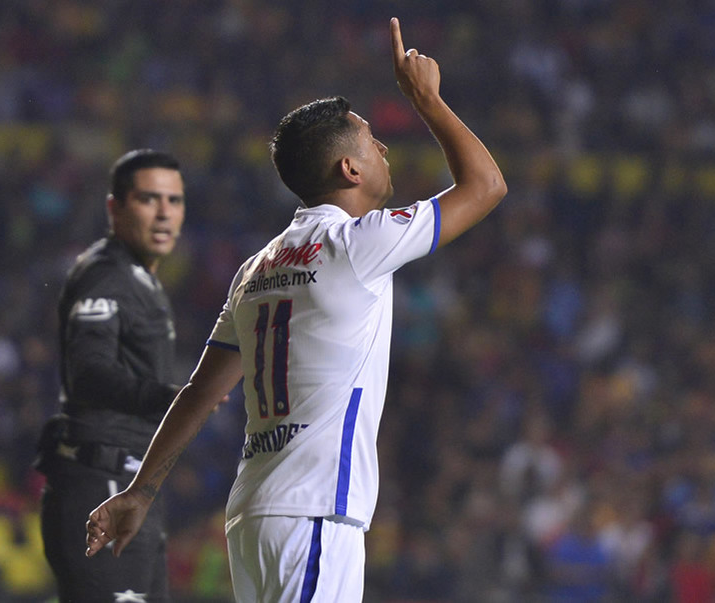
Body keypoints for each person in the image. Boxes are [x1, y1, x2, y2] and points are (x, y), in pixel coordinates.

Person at [85, 18, 507, 602]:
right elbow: (485, 185)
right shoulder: (356, 245)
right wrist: (427, 100)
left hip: (255, 516)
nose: (385, 148)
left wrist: (140, 491)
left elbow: (201, 393)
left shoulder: (256, 269)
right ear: (349, 169)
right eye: (370, 139)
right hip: (313, 513)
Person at [35, 149, 186, 602]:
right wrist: (168, 397)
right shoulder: (108, 275)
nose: (164, 213)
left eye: (174, 201)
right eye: (148, 199)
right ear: (114, 208)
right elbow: (89, 372)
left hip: (128, 482)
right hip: (102, 482)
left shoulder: (141, 278)